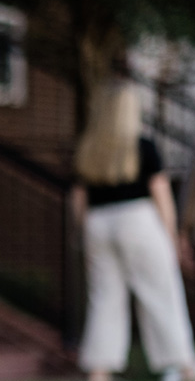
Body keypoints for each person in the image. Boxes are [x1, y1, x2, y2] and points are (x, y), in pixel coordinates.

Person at [71, 82, 195, 381]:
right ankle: (185, 369)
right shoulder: (143, 146)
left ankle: (99, 372)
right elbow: (162, 195)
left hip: (98, 225)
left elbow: (78, 199)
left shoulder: (90, 149)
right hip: (138, 221)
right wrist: (172, 237)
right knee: (162, 296)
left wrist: (84, 233)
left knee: (104, 300)